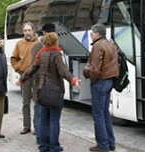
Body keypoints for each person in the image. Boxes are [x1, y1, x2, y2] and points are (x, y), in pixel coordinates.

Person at [17, 32, 81, 152]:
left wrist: (22, 78)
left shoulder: (42, 53)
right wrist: (73, 80)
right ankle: (54, 146)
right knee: (54, 120)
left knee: (43, 119)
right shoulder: (56, 54)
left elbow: (33, 68)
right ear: (55, 41)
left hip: (42, 90)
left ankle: (43, 146)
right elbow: (63, 71)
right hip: (54, 91)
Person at [83, 23, 119, 152]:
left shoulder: (98, 46)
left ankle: (102, 145)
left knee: (98, 115)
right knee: (105, 113)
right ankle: (110, 142)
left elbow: (95, 68)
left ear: (97, 34)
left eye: (92, 33)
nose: (91, 36)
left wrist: (91, 78)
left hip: (100, 81)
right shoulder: (111, 44)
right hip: (109, 81)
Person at [11, 22, 38, 134]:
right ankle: (26, 126)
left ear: (33, 31)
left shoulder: (39, 43)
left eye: (29, 30)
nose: (27, 32)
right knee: (25, 102)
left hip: (36, 76)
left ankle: (37, 126)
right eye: (25, 31)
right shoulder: (19, 43)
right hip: (25, 76)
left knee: (37, 102)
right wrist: (19, 69)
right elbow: (13, 59)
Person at [31, 23, 56, 143]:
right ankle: (39, 136)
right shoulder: (37, 46)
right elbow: (34, 67)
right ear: (45, 33)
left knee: (49, 113)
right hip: (41, 85)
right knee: (40, 111)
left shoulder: (55, 46)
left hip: (52, 86)